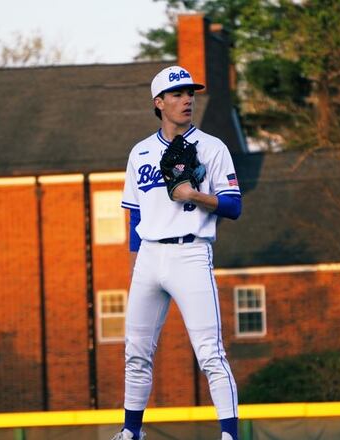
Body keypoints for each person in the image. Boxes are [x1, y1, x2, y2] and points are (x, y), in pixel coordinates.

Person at [112, 65, 243, 440]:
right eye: (177, 94)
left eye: (191, 93)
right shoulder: (140, 152)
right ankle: (131, 432)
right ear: (159, 102)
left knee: (210, 353)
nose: (187, 99)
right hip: (150, 258)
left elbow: (234, 207)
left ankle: (229, 434)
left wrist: (195, 196)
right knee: (135, 352)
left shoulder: (213, 147)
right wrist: (140, 264)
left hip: (191, 254)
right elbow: (135, 214)